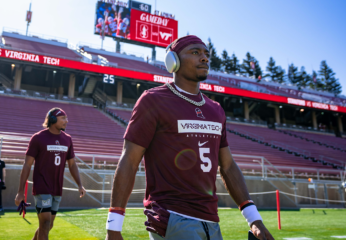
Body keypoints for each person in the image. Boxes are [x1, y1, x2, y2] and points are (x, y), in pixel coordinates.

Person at [105, 35, 274, 240]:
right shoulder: (153, 100)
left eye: (206, 54)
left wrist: (253, 219)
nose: (204, 58)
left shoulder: (216, 110)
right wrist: (113, 227)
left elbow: (228, 166)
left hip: (212, 221)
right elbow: (129, 161)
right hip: (172, 218)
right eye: (195, 52)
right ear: (173, 61)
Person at [15, 108, 86, 240]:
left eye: (66, 118)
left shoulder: (68, 139)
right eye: (63, 118)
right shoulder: (37, 138)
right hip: (42, 187)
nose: (66, 121)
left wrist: (80, 185)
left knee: (49, 225)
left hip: (57, 189)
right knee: (45, 222)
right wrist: (20, 192)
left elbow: (72, 164)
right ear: (52, 120)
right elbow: (27, 165)